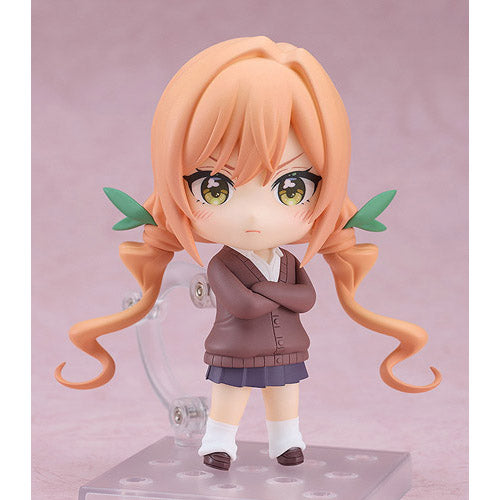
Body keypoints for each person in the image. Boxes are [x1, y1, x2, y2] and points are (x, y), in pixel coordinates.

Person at [55, 36, 441, 471]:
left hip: (287, 347)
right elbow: (242, 304)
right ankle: (218, 443)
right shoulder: (223, 264)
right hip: (234, 348)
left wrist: (268, 291)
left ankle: (287, 442)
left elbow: (307, 299)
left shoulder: (288, 261)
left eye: (292, 188)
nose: (255, 214)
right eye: (215, 187)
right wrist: (276, 294)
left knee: (285, 394)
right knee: (230, 396)